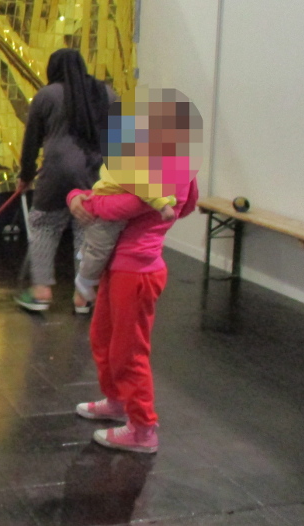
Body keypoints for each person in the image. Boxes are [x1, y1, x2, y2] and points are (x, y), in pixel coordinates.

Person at [69, 92, 200, 454]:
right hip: (120, 266)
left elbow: (120, 205)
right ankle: (117, 402)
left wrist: (82, 200)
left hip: (136, 270)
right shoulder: (153, 165)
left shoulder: (171, 172)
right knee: (104, 338)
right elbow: (114, 190)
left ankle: (143, 429)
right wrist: (77, 196)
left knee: (129, 351)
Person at [14, 48, 114, 312]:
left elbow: (31, 141)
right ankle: (83, 296)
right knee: (86, 229)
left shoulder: (47, 95)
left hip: (56, 174)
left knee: (44, 226)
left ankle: (41, 292)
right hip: (95, 173)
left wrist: (25, 176)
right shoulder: (106, 93)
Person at [73, 163, 176, 310]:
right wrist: (164, 205)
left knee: (95, 243)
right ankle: (85, 280)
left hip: (104, 203)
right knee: (99, 250)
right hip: (116, 232)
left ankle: (84, 257)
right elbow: (144, 188)